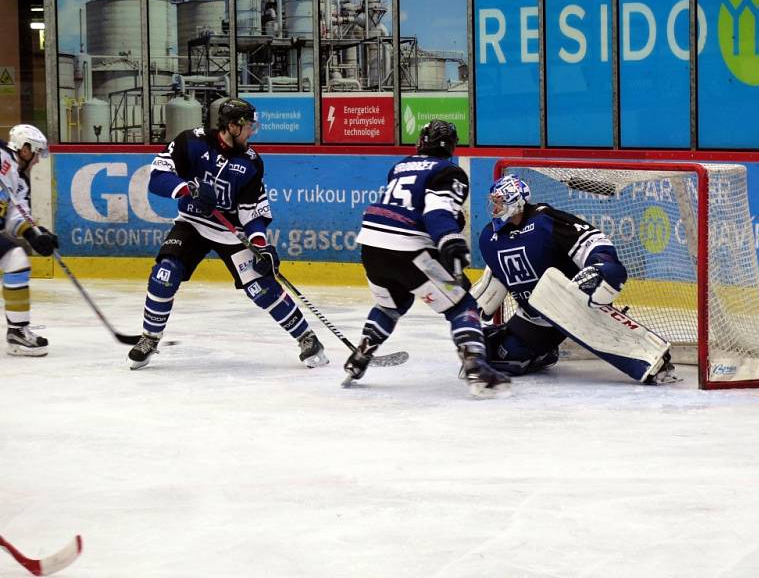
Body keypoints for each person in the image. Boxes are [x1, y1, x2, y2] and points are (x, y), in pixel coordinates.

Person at [127, 97, 328, 370]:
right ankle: (149, 338)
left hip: (230, 232)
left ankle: (307, 338)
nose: (252, 132)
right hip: (193, 223)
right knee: (165, 274)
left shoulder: (252, 163)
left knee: (261, 287)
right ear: (232, 126)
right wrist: (188, 189)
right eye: (248, 127)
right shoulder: (191, 142)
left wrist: (260, 245)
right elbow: (157, 177)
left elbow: (251, 212)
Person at [342, 119, 510, 398]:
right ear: (452, 147)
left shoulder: (400, 166)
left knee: (391, 304)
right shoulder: (449, 171)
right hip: (409, 250)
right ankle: (477, 367)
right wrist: (449, 241)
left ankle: (360, 357)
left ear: (421, 142)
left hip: (371, 247)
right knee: (462, 304)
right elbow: (436, 211)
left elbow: (409, 206)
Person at [471, 173, 675, 384]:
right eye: (493, 203)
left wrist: (601, 264)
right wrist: (471, 309)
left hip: (572, 302)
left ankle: (648, 357)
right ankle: (543, 354)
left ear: (516, 203)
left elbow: (591, 240)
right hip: (533, 315)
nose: (494, 209)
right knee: (495, 352)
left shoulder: (544, 221)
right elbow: (498, 275)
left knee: (603, 278)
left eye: (499, 203)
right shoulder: (490, 238)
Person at [0, 124, 58, 356]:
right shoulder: (2, 156)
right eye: (36, 153)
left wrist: (35, 234)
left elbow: (16, 212)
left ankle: (17, 332)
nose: (36, 161)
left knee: (15, 260)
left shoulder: (18, 181)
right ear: (25, 149)